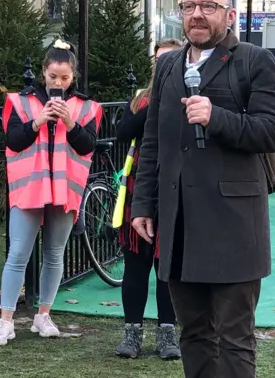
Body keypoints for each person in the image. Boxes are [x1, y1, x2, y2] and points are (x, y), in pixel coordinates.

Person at [131, 0, 275, 378]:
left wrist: (216, 117)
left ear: (229, 16)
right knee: (194, 333)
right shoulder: (167, 65)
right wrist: (144, 204)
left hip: (234, 224)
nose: (197, 14)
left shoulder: (254, 60)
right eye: (189, 6)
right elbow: (153, 141)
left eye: (209, 6)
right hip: (179, 222)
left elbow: (274, 132)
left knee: (235, 336)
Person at [0, 40, 102, 346]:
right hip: (29, 187)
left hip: (64, 189)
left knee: (54, 254)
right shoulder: (22, 102)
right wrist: (38, 122)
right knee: (18, 254)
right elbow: (12, 141)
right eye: (53, 77)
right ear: (43, 72)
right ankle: (6, 320)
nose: (58, 83)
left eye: (64, 78)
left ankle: (43, 315)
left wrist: (69, 122)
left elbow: (89, 145)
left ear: (73, 76)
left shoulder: (86, 106)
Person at [114, 38, 183, 360]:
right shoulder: (141, 99)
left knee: (167, 266)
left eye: (170, 59)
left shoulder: (190, 97)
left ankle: (167, 333)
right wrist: (156, 103)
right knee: (136, 264)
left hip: (175, 187)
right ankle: (132, 332)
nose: (164, 66)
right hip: (140, 186)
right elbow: (123, 131)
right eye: (159, 61)